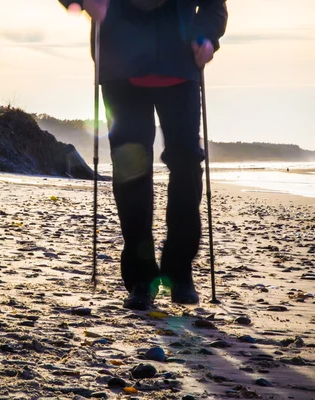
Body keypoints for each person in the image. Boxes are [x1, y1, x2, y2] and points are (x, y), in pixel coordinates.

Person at [59, 0, 228, 310]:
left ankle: (179, 271)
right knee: (131, 172)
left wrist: (206, 36)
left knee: (188, 163)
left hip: (180, 63)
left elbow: (214, 5)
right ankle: (141, 277)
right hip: (121, 63)